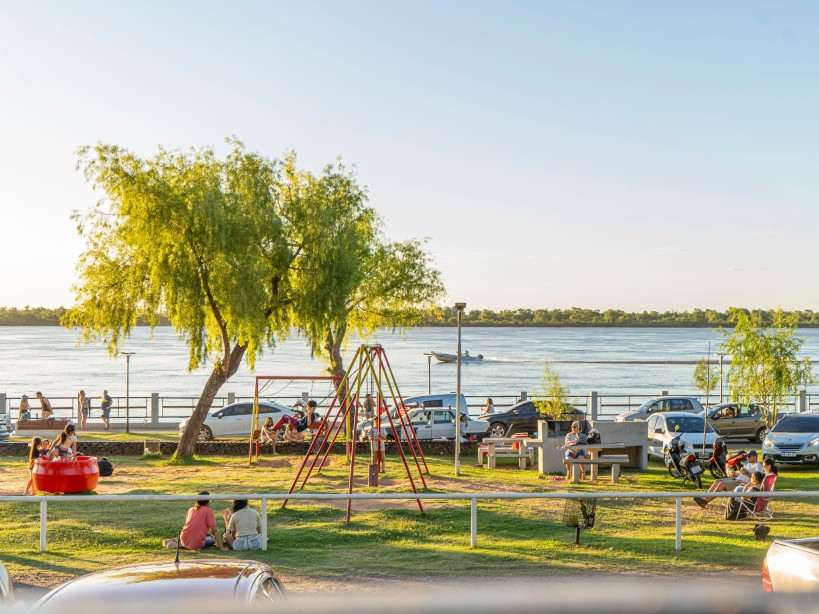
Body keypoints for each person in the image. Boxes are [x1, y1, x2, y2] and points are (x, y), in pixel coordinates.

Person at [694, 450, 764, 508]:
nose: (747, 458)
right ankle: (705, 497)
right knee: (717, 481)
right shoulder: (748, 464)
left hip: (742, 483)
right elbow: (743, 473)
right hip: (736, 479)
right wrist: (736, 473)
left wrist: (746, 473)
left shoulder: (757, 465)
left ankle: (706, 501)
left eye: (749, 457)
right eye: (747, 457)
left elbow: (758, 478)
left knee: (721, 484)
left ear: (754, 457)